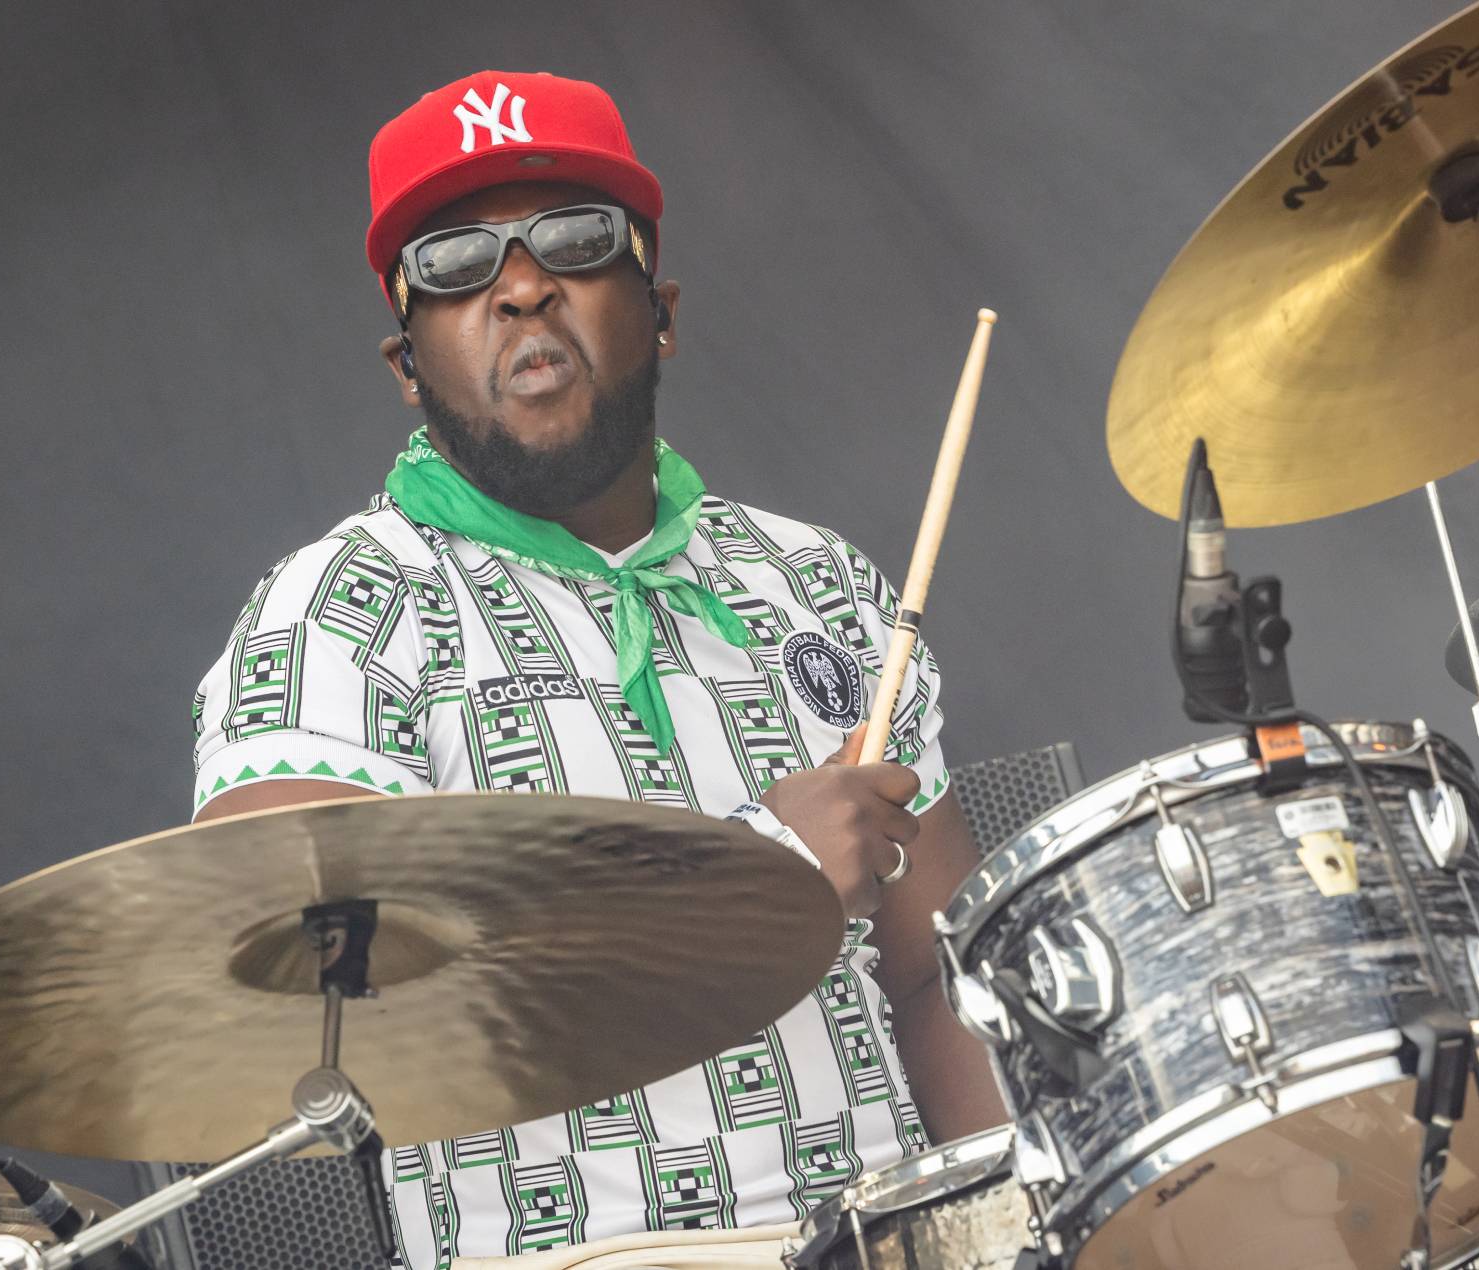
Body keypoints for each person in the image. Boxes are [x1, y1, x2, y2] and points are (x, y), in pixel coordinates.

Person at [189, 69, 1002, 1266]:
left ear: (660, 312)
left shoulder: (813, 579)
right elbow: (299, 1032)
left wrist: (1019, 1222)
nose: (521, 286)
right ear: (406, 364)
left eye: (573, 241)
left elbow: (938, 982)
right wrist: (741, 891)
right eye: (457, 265)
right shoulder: (340, 612)